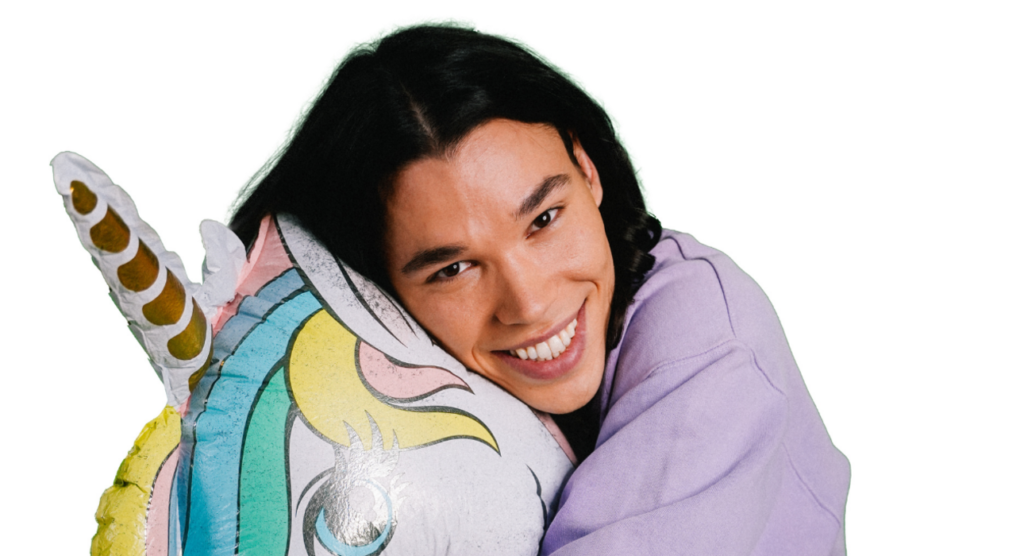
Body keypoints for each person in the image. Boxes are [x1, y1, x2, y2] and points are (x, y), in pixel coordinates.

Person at [230, 24, 851, 555]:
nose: (528, 304)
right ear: (377, 290)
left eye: (544, 219)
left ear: (587, 169)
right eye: (454, 270)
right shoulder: (400, 380)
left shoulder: (709, 348)